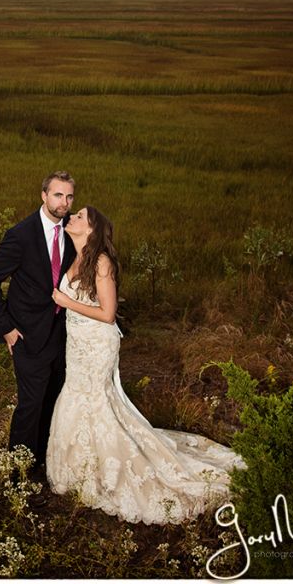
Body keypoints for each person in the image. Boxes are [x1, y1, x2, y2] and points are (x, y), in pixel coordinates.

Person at [46, 206, 245, 524]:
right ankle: (79, 468)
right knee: (75, 394)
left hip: (98, 343)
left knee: (95, 399)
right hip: (77, 344)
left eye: (81, 216)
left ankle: (110, 470)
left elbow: (108, 314)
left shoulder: (101, 262)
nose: (73, 217)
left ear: (92, 230)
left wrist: (67, 301)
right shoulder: (76, 258)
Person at [0, 171, 77, 495]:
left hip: (61, 334)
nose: (64, 202)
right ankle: (17, 477)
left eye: (69, 196)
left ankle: (42, 463)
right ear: (44, 196)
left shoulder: (72, 230)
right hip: (27, 336)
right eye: (58, 195)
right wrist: (6, 328)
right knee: (30, 406)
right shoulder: (21, 235)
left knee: (52, 401)